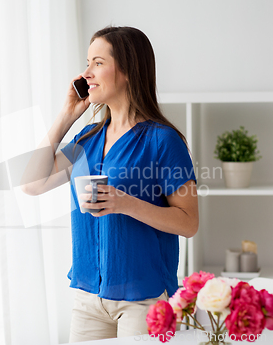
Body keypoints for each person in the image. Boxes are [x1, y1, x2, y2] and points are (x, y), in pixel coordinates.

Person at [21, 26, 198, 342]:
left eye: (98, 63)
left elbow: (189, 222)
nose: (86, 73)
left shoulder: (163, 141)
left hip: (144, 300)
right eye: (87, 62)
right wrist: (66, 115)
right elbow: (31, 184)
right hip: (88, 299)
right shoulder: (87, 138)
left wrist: (124, 202)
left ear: (128, 70)